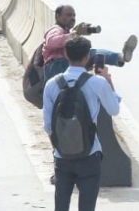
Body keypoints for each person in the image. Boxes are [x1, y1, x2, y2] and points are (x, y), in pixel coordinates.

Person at [43, 37, 121, 211]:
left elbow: (48, 126)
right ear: (87, 57)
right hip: (89, 153)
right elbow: (114, 109)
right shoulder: (97, 82)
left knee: (61, 204)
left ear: (66, 54)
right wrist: (108, 80)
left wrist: (60, 147)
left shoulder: (51, 84)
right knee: (87, 206)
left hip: (62, 156)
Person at [42, 4, 137, 79]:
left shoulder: (66, 32)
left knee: (89, 55)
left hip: (64, 66)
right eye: (68, 15)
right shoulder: (56, 29)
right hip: (56, 66)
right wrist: (75, 34)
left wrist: (77, 34)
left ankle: (121, 57)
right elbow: (51, 42)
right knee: (91, 54)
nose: (72, 18)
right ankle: (120, 57)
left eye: (74, 15)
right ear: (57, 17)